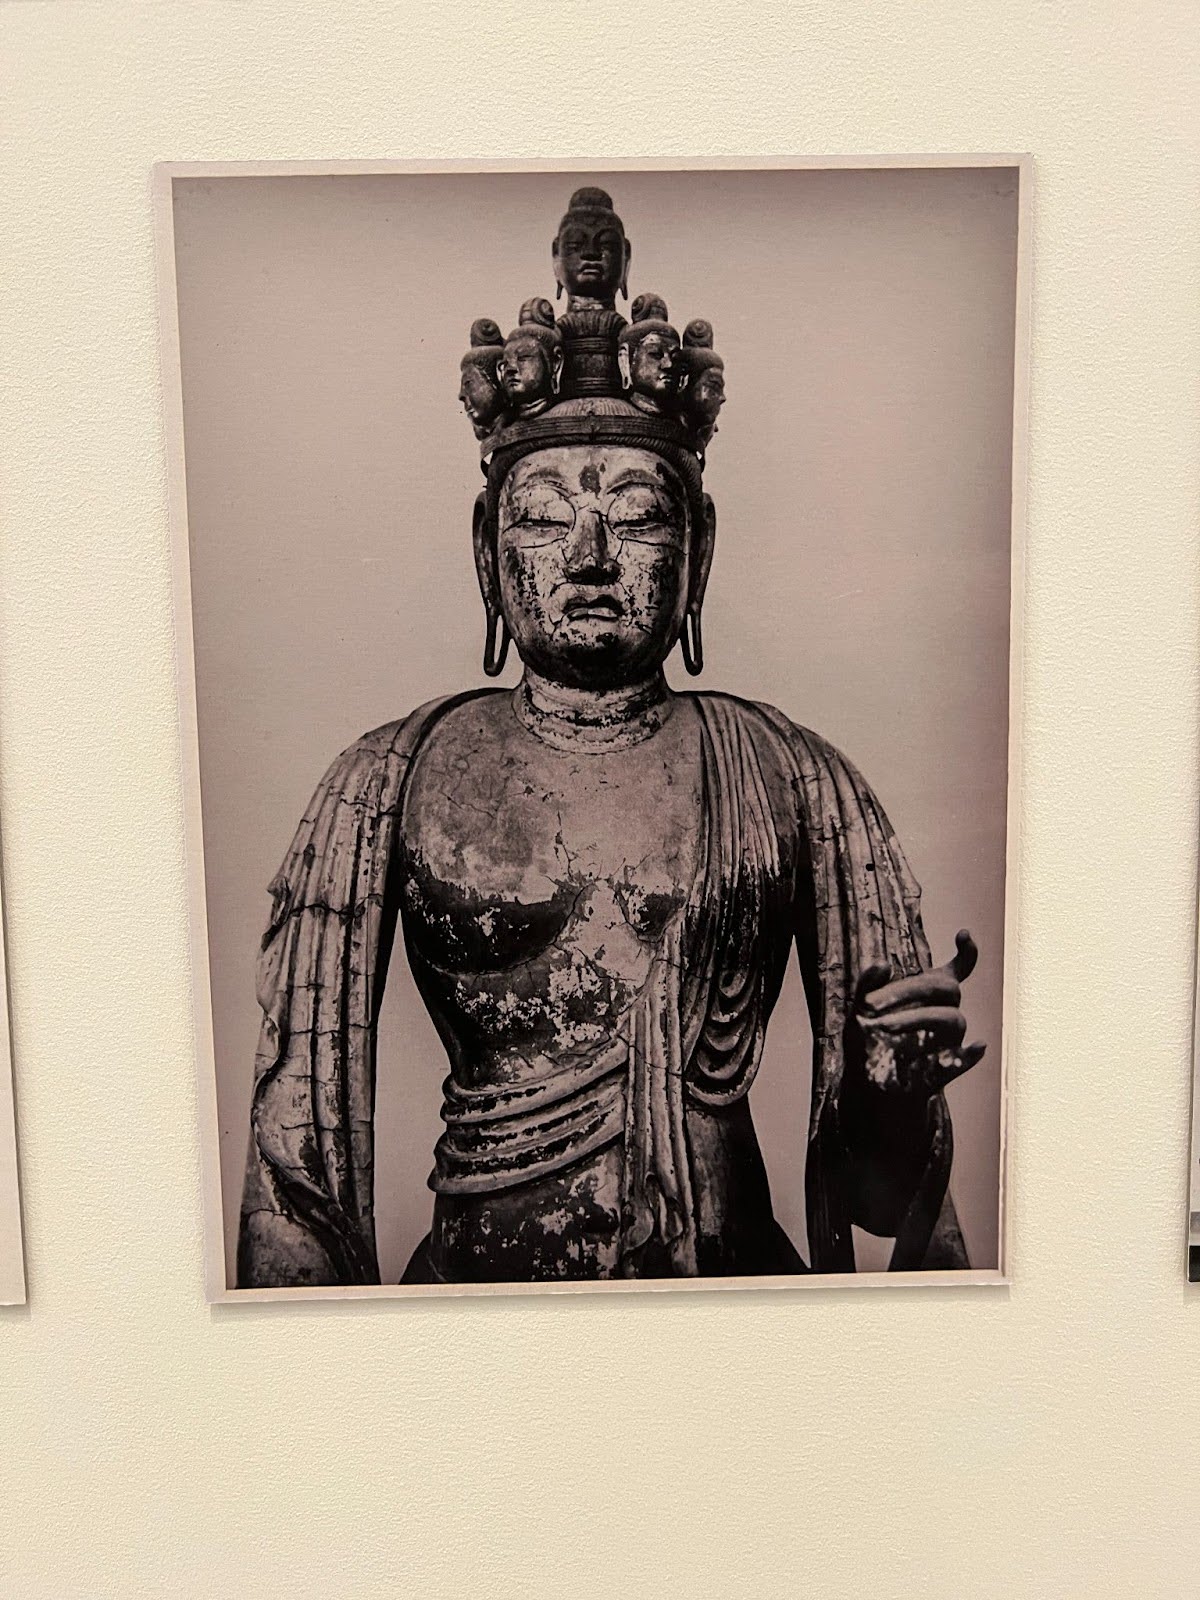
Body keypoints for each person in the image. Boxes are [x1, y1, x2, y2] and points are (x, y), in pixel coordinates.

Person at [237, 188, 985, 1288]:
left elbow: (883, 1197)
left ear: (699, 551)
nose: (589, 557)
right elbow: (293, 1177)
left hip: (730, 1316)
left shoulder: (794, 781)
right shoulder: (385, 784)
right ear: (487, 550)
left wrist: (889, 1094)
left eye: (635, 515)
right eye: (545, 517)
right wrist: (310, 1373)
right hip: (474, 1330)